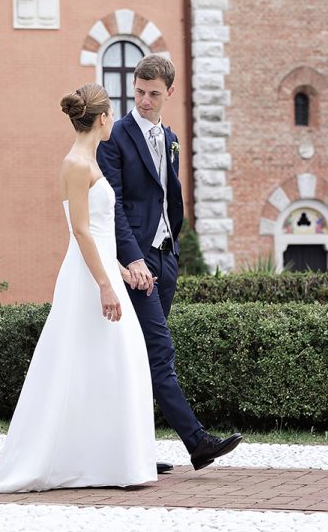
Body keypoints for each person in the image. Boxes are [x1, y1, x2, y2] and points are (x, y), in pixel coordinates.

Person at [0, 84, 158, 493]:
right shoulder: (75, 163)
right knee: (91, 361)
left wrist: (123, 272)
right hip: (88, 279)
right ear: (103, 118)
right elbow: (80, 231)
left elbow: (101, 231)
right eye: (113, 114)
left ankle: (110, 462)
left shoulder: (89, 160)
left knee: (111, 363)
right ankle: (80, 461)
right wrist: (106, 285)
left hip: (104, 271)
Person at [98, 54, 242, 470]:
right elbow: (116, 207)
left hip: (166, 257)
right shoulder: (116, 136)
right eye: (139, 92)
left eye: (153, 94)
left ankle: (134, 452)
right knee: (159, 351)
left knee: (140, 356)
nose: (144, 100)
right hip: (138, 265)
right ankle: (196, 441)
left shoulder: (172, 138)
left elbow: (168, 196)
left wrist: (171, 247)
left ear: (169, 93)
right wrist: (133, 259)